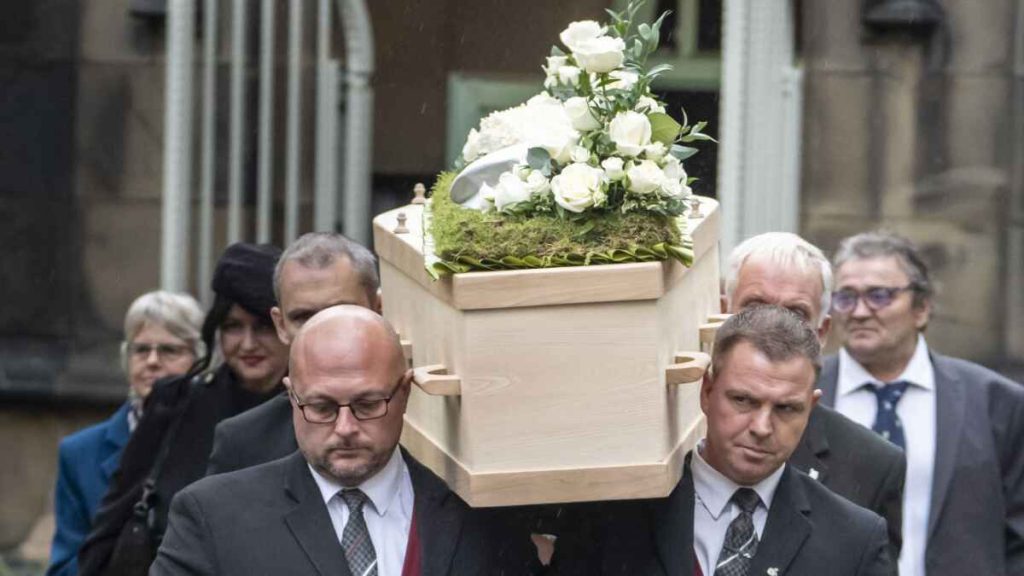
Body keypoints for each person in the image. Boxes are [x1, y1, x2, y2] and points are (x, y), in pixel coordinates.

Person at [151, 305, 541, 575]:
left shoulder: (477, 518)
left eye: (367, 404)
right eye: (320, 407)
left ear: (404, 394)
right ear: (292, 397)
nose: (345, 427)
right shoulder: (214, 517)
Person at [563, 306, 895, 575]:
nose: (762, 427)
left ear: (811, 408)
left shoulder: (853, 539)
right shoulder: (615, 513)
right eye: (743, 400)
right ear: (707, 392)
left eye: (786, 408)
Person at [77, 242, 290, 575]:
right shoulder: (175, 402)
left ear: (284, 327)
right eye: (233, 326)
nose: (247, 343)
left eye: (261, 327)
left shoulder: (313, 411)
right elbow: (109, 526)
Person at [820, 231, 1024, 576]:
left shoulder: (995, 402)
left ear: (921, 308)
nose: (859, 312)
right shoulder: (803, 394)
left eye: (879, 296)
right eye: (845, 297)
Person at [723, 232, 906, 558]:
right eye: (754, 308)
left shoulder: (871, 465)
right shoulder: (662, 440)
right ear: (721, 312)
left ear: (821, 333)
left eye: (795, 314)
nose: (772, 332)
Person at [46, 291, 203, 576]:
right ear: (126, 358)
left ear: (199, 359)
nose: (152, 361)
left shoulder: (223, 437)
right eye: (141, 349)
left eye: (169, 350)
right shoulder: (80, 452)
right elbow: (64, 566)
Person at [206, 232, 381, 475]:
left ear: (378, 310)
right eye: (304, 318)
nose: (323, 332)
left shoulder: (423, 421)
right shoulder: (241, 443)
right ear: (281, 325)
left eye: (340, 311)